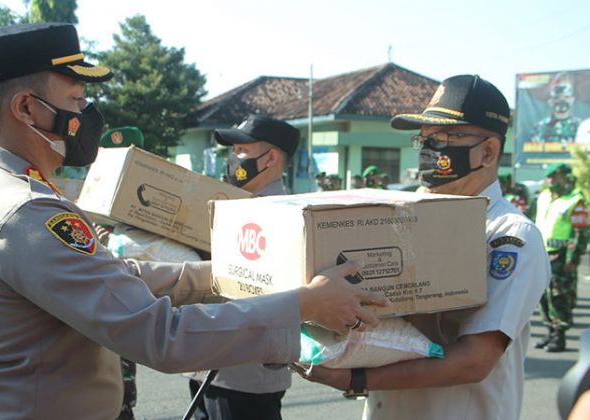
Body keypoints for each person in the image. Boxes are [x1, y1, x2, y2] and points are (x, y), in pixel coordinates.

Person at [0, 23, 390, 420]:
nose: (87, 116)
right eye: (76, 101)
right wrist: (304, 305)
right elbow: (159, 335)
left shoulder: (8, 189)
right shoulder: (26, 213)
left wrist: (231, 276)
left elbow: (118, 277)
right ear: (26, 108)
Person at [293, 74, 551, 420]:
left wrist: (355, 379)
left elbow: (474, 360)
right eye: (424, 139)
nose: (429, 150)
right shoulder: (399, 215)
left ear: (488, 151)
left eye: (444, 138)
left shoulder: (510, 235)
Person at [184, 114, 300, 420]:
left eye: (240, 151)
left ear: (270, 158)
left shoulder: (281, 215)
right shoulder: (235, 206)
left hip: (245, 376)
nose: (231, 159)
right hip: (209, 363)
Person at [535, 163, 590, 352]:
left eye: (555, 177)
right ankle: (549, 330)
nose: (550, 181)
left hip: (560, 256)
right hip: (541, 253)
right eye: (548, 177)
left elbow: (581, 233)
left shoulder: (575, 200)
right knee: (542, 295)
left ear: (566, 178)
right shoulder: (544, 197)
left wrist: (572, 259)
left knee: (559, 296)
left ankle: (560, 335)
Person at [532, 73, 581, 144]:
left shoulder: (581, 126)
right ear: (550, 101)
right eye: (557, 98)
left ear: (572, 100)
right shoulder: (540, 127)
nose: (561, 101)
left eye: (566, 97)